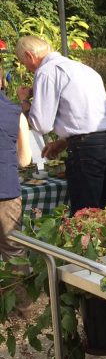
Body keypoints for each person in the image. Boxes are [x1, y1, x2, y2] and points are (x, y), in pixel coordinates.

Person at [15, 35, 106, 215]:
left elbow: (40, 124)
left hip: (88, 150)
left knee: (86, 216)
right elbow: (88, 116)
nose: (26, 68)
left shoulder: (46, 71)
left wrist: (24, 102)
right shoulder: (83, 68)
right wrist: (63, 141)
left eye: (23, 62)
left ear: (30, 55)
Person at [0, 67, 33, 317]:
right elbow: (25, 160)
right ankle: (22, 308)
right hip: (6, 189)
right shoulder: (14, 112)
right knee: (14, 250)